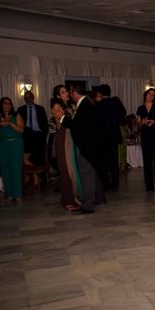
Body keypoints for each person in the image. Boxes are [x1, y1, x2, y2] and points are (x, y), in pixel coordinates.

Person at [57, 84, 105, 214]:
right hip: (91, 145)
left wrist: (62, 118)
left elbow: (77, 126)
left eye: (70, 92)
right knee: (91, 172)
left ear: (74, 92)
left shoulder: (84, 105)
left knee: (86, 173)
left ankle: (88, 205)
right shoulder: (86, 103)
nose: (69, 94)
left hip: (88, 146)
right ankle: (100, 196)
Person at [94, 84, 127, 192]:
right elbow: (123, 116)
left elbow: (96, 121)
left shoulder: (98, 105)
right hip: (114, 136)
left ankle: (106, 184)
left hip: (102, 137)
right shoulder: (115, 103)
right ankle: (115, 185)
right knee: (114, 162)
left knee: (103, 162)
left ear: (101, 93)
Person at [50, 98, 80, 212]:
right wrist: (57, 116)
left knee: (72, 170)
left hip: (71, 141)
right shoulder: (57, 107)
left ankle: (73, 197)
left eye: (66, 91)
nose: (66, 93)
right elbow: (58, 125)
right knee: (65, 170)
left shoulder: (71, 108)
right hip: (63, 141)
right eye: (63, 92)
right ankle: (67, 200)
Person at [0, 97, 25, 202]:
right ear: (1, 106)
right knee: (5, 169)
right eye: (5, 103)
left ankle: (18, 194)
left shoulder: (16, 115)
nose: (7, 105)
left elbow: (21, 130)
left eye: (9, 103)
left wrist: (10, 123)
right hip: (1, 145)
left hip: (15, 144)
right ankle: (10, 194)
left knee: (15, 168)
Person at [136, 88, 155, 192]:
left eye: (152, 95)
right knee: (147, 161)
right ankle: (149, 187)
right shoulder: (140, 108)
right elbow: (138, 125)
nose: (150, 96)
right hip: (145, 137)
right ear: (145, 95)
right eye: (149, 94)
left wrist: (154, 122)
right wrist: (141, 123)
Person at [17, 91, 48, 182]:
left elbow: (45, 124)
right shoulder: (20, 109)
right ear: (24, 99)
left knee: (40, 157)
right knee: (28, 157)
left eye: (30, 96)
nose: (28, 99)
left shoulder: (40, 108)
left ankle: (42, 178)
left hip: (39, 135)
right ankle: (31, 178)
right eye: (26, 97)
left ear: (33, 97)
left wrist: (43, 135)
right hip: (26, 135)